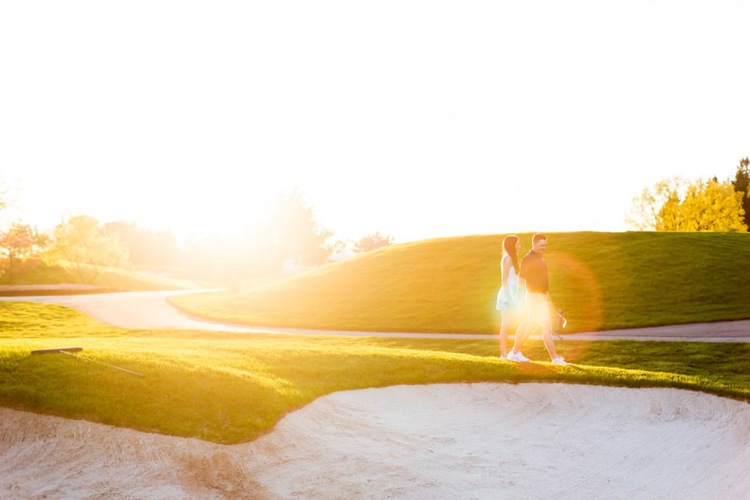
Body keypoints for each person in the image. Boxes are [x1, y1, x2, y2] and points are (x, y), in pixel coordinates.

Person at [507, 233, 570, 366]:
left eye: (545, 245)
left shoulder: (540, 258)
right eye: (541, 245)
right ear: (534, 243)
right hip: (533, 297)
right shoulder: (528, 258)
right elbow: (521, 279)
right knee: (546, 327)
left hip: (541, 296)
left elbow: (543, 284)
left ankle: (514, 352)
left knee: (531, 325)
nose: (544, 247)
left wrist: (549, 300)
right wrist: (519, 298)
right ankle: (555, 359)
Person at [495, 235, 523, 360]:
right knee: (506, 324)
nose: (519, 246)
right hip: (507, 294)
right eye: (517, 244)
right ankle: (504, 354)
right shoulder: (507, 259)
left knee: (519, 322)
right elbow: (504, 281)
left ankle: (515, 352)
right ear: (512, 245)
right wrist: (511, 298)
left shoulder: (513, 258)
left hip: (514, 292)